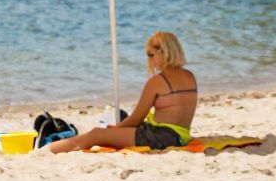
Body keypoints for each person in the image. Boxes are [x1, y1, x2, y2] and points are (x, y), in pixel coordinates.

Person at [45, 32, 198, 153]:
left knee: (96, 134)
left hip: (160, 137)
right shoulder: (189, 76)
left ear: (164, 52)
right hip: (181, 137)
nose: (150, 61)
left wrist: (117, 129)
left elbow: (136, 119)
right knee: (105, 132)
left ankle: (46, 150)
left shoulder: (158, 82)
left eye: (151, 55)